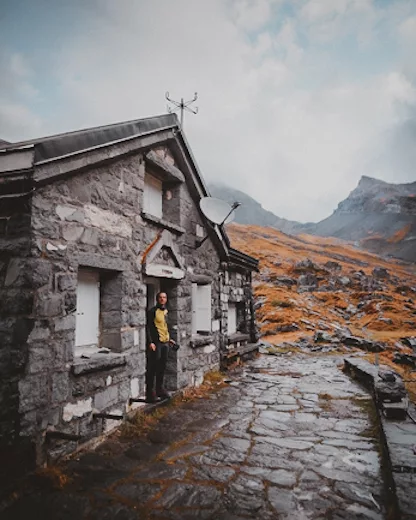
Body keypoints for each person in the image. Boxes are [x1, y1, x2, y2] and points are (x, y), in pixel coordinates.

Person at [145, 291, 176, 403]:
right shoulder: (152, 311)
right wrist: (150, 342)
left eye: (164, 297)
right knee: (153, 368)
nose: (162, 299)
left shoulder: (166, 311)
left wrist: (169, 339)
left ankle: (160, 389)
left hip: (165, 343)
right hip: (156, 343)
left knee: (162, 368)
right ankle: (150, 393)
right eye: (160, 297)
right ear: (157, 299)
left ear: (166, 299)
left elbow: (164, 327)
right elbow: (148, 327)